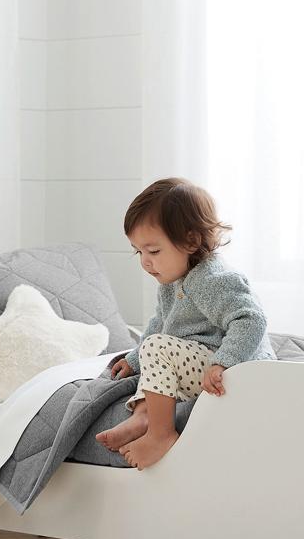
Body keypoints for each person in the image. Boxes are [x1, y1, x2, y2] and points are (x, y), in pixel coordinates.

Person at [96, 177, 276, 469]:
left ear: (191, 241)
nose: (145, 262)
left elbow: (251, 320)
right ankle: (143, 415)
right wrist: (134, 358)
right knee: (153, 354)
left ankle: (161, 434)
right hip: (199, 362)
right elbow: (160, 323)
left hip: (237, 371)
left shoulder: (213, 280)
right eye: (138, 252)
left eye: (153, 251)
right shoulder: (172, 279)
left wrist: (224, 362)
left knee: (157, 349)